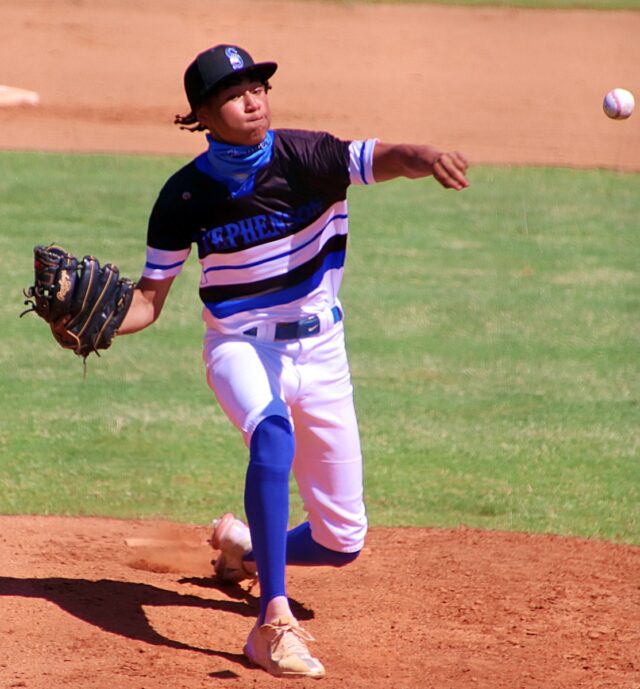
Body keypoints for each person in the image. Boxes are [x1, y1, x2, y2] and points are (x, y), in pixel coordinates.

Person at [117, 44, 469, 679]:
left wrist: (425, 156)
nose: (252, 100)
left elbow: (380, 157)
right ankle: (271, 623)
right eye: (233, 92)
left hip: (323, 349)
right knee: (270, 435)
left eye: (257, 86)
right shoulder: (185, 196)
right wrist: (97, 328)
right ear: (202, 112)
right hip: (241, 345)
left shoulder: (306, 156)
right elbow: (148, 300)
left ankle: (246, 548)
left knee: (341, 543)